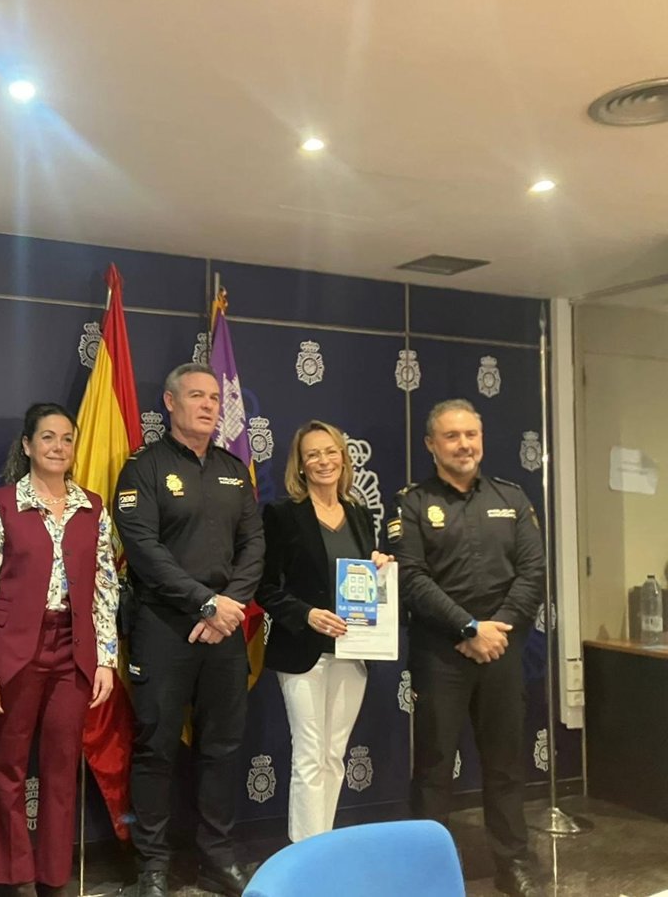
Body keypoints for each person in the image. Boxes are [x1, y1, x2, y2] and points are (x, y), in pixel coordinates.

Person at [113, 362, 265, 897]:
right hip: (163, 626)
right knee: (156, 748)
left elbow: (254, 545)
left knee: (222, 747)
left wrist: (228, 606)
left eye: (214, 398)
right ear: (170, 402)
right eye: (196, 395)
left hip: (225, 630)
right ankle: (153, 865)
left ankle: (216, 857)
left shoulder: (233, 470)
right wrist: (204, 603)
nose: (207, 405)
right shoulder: (143, 468)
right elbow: (143, 549)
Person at [393, 399, 546, 897]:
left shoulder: (512, 497)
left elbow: (532, 571)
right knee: (434, 766)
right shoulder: (412, 503)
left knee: (505, 764)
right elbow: (411, 578)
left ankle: (513, 862)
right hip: (442, 653)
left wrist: (493, 631)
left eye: (471, 435)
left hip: (501, 649)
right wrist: (466, 628)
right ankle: (425, 872)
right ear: (431, 444)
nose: (464, 445)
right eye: (452, 436)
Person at [0, 403, 119, 897]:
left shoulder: (92, 507)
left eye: (67, 438)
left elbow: (105, 588)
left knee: (60, 769)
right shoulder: (1, 506)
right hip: (14, 652)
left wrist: (106, 659)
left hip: (73, 653)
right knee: (7, 767)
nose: (59, 447)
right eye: (48, 437)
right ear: (28, 445)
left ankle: (54, 878)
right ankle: (13, 879)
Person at [258, 421, 392, 843]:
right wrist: (307, 614)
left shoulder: (360, 514)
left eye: (330, 451)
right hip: (303, 650)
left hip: (353, 648)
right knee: (309, 754)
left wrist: (380, 567)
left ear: (343, 457)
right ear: (300, 465)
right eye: (312, 454)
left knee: (334, 755)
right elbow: (265, 587)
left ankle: (324, 843)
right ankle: (305, 852)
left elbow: (364, 578)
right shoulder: (282, 515)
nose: (323, 461)